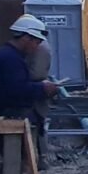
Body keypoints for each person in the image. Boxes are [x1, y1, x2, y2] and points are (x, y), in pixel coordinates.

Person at [0, 15, 59, 174]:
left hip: (15, 112)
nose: (36, 46)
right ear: (25, 37)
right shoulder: (10, 59)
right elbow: (16, 90)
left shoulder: (10, 56)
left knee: (26, 164)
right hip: (13, 114)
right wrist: (42, 89)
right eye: (35, 41)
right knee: (14, 165)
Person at [26, 27, 52, 159]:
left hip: (37, 90)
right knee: (39, 122)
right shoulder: (43, 46)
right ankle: (41, 157)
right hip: (38, 88)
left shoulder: (41, 47)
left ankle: (41, 157)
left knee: (38, 123)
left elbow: (37, 73)